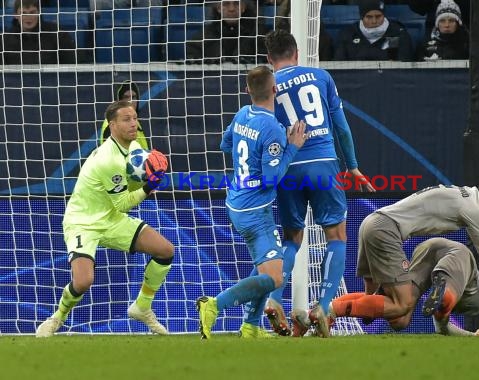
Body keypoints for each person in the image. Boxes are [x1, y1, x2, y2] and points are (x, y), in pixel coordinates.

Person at [262, 29, 375, 338]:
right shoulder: (321, 77)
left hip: (289, 167)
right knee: (336, 236)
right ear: (297, 53)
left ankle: (273, 299)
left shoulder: (268, 85)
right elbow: (341, 127)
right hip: (323, 164)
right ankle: (323, 306)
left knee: (291, 241)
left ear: (270, 59)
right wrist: (352, 166)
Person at [327, 174, 479, 334]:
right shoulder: (474, 211)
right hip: (386, 230)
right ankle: (330, 310)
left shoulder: (462, 193)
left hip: (372, 223)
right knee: (402, 305)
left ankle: (313, 316)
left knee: (394, 314)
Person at [35, 100, 173, 337]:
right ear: (112, 125)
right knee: (84, 281)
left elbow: (119, 201)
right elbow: (123, 203)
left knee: (165, 250)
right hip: (83, 221)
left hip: (110, 217)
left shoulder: (133, 149)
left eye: (134, 118)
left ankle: (142, 307)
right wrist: (149, 186)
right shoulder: (109, 159)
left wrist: (147, 174)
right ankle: (57, 317)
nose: (133, 123)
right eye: (126, 119)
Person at [196, 66, 307, 339]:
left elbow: (225, 145)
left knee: (265, 266)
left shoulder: (242, 114)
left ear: (248, 90)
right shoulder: (272, 128)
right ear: (275, 89)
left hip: (236, 201)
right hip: (256, 211)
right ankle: (214, 305)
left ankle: (251, 326)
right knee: (275, 277)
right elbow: (271, 179)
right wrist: (292, 146)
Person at [332, 238, 479, 336]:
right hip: (457, 255)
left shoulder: (438, 307)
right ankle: (446, 288)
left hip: (427, 249)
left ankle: (332, 307)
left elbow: (443, 329)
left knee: (400, 318)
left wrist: (472, 335)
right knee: (446, 291)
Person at [186, 0, 268, 64]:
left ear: (243, 8)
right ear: (218, 8)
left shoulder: (258, 33)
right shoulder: (205, 34)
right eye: (226, 4)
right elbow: (192, 53)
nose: (231, 9)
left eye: (236, 4)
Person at [0, 0, 77, 65]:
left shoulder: (57, 33)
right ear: (16, 15)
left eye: (32, 12)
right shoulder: (4, 38)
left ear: (39, 13)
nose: (28, 17)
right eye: (23, 13)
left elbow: (73, 61)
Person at [333, 0, 414, 61]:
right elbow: (339, 65)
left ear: (384, 15)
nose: (374, 21)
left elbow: (404, 67)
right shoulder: (348, 34)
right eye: (369, 17)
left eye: (378, 16)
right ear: (362, 17)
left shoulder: (397, 33)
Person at [100, 81, 150, 150]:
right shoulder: (111, 123)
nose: (131, 101)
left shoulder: (135, 120)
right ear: (119, 100)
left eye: (134, 97)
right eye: (126, 97)